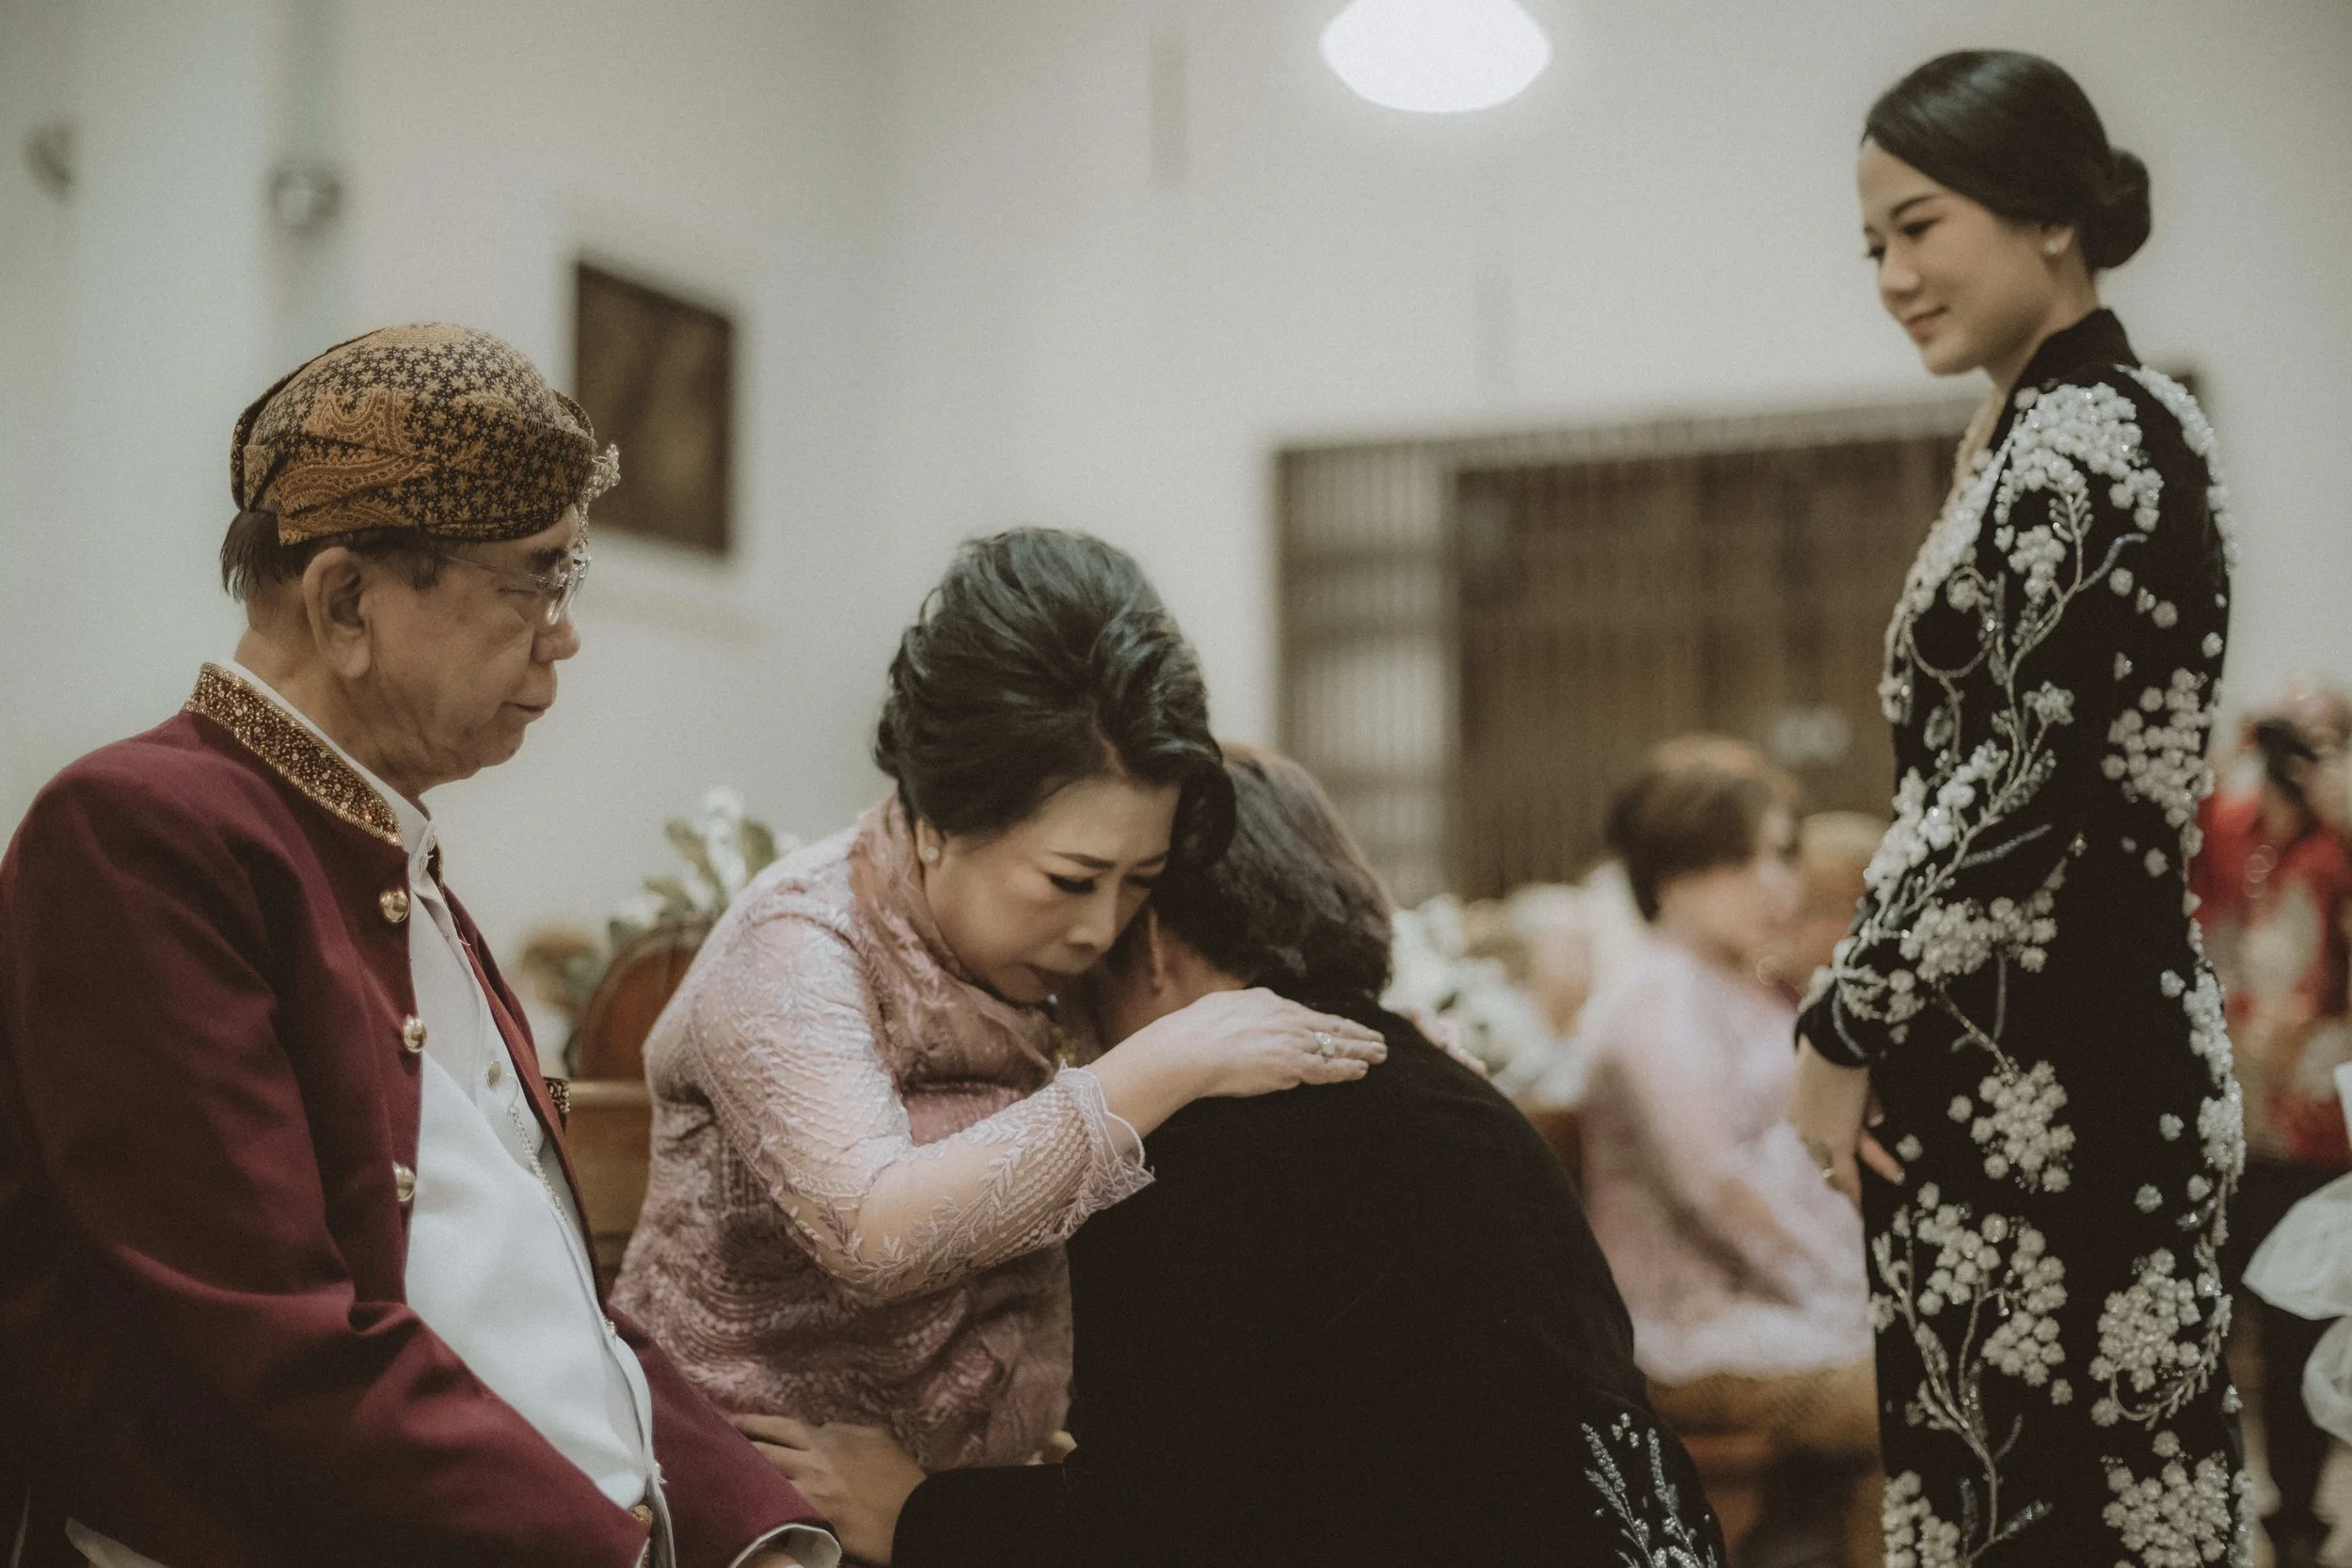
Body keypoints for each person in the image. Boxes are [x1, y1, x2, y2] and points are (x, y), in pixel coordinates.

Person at [0, 325, 830, 1566]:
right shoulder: (141, 830)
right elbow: (263, 1348)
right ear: (347, 602)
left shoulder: (391, 852)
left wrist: (761, 1532)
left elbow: (557, 1304)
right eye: (536, 579)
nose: (564, 634)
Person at [744, 745, 1729, 1566]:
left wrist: (916, 1511)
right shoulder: (1456, 1095)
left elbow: (1159, 1533)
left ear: (1154, 940)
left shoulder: (1197, 1147)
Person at [610, 531, 1384, 1474]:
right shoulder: (797, 943)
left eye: (1139, 879)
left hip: (965, 1504)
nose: (1101, 927)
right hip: (752, 1493)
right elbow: (873, 1230)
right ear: (939, 819)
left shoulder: (1044, 954)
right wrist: (1163, 1061)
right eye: (1070, 878)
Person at [1789, 51, 2251, 1565]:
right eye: (1874, 242)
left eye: (1920, 226)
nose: (1892, 275)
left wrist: (1842, 1022)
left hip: (2064, 1072)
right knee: (2019, 1498)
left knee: (2059, 1509)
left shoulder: (2091, 432)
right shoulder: (2035, 427)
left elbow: (2019, 785)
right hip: (2023, 1057)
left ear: (2052, 214)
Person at [1578, 739, 1880, 1566]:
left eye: (1782, 855)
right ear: (1675, 869)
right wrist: (1849, 1292)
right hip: (1696, 1330)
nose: (1777, 882)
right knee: (1917, 1398)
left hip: (1787, 1304)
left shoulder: (1744, 985)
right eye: (1745, 860)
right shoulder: (1653, 997)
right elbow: (1716, 1187)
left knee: (1940, 1386)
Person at [2195, 679, 2352, 1568]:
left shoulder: (2340, 849)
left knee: (2299, 1331)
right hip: (2229, 1120)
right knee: (2209, 1321)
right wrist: (2225, 755)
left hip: (2317, 1130)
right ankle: (2208, 1502)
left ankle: (2296, 1522)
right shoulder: (2234, 830)